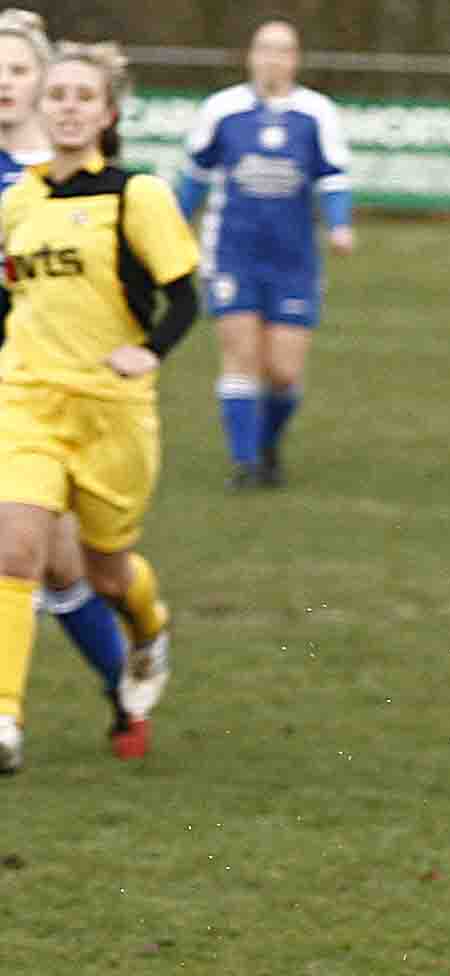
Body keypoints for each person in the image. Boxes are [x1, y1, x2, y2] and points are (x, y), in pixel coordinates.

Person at [0, 40, 196, 776]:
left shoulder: (135, 195)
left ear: (108, 113)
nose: (69, 107)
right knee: (13, 549)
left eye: (85, 97)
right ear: (42, 110)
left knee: (107, 574)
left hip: (111, 412)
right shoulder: (17, 200)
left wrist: (150, 351)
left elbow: (183, 295)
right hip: (25, 400)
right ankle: (6, 718)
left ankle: (148, 625)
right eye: (58, 95)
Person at [0, 9, 144, 758]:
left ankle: (126, 681)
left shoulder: (67, 177)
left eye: (18, 69)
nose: (3, 81)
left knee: (61, 562)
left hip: (50, 391)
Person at [174, 16, 351, 491]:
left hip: (294, 258)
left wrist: (339, 225)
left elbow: (332, 178)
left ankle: (268, 442)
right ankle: (246, 463)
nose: (272, 58)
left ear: (295, 59)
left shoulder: (318, 114)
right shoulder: (222, 110)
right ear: (250, 56)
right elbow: (194, 176)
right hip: (233, 253)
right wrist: (172, 225)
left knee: (284, 371)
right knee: (241, 356)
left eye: (283, 50)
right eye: (264, 48)